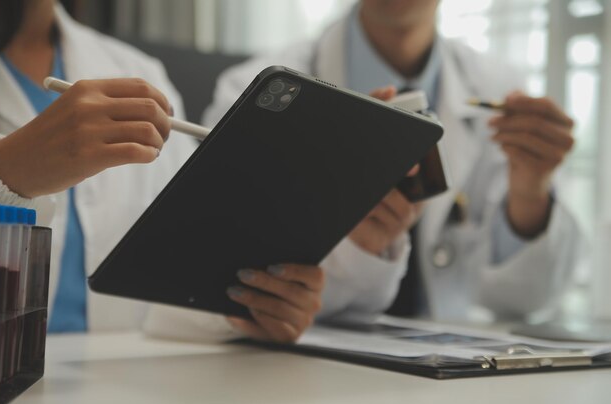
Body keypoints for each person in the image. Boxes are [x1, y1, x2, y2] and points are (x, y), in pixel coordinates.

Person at [202, 0, 583, 323]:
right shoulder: (252, 92)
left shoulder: (500, 89)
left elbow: (524, 301)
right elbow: (220, 274)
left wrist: (530, 194)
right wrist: (358, 249)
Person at [0, 0, 328, 343]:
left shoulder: (139, 71)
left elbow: (167, 289)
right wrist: (3, 170)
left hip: (113, 383)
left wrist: (243, 306)